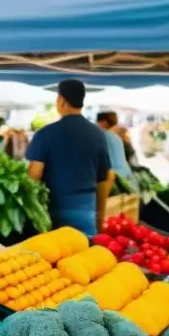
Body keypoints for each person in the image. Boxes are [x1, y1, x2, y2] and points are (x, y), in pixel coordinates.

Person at [26, 79, 113, 236]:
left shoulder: (45, 134)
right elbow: (105, 178)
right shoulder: (98, 134)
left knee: (55, 259)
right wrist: (99, 218)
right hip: (87, 214)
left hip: (55, 215)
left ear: (61, 100)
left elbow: (33, 175)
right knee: (86, 258)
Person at [96, 111, 134, 182]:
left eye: (98, 123)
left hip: (114, 177)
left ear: (103, 122)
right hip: (126, 173)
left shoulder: (101, 135)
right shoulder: (117, 137)